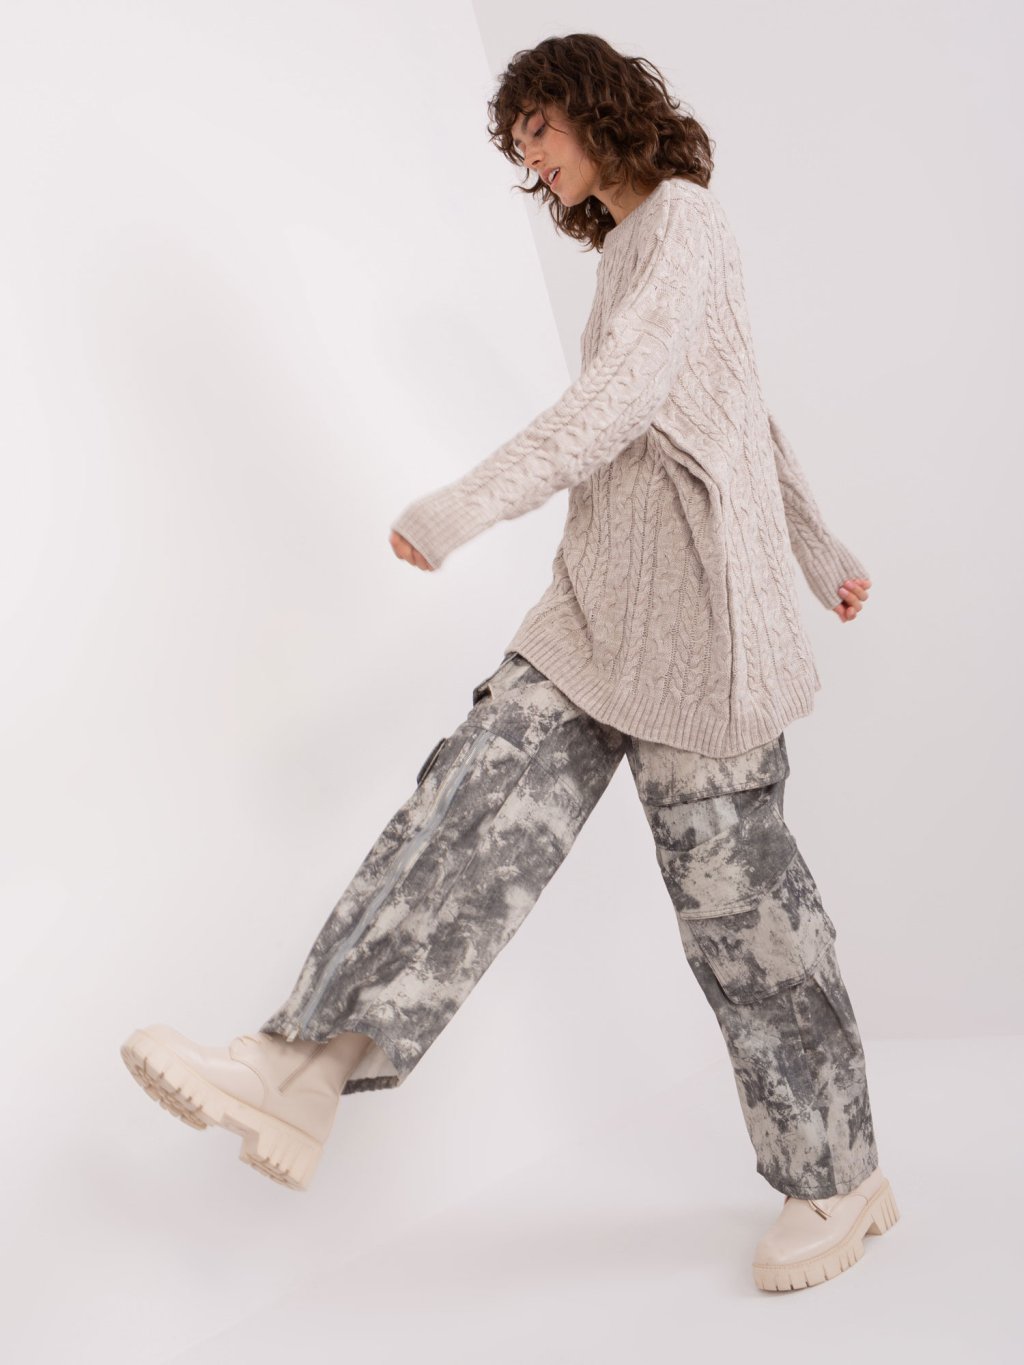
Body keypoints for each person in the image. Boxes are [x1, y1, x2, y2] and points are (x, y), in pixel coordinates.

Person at [121, 33, 899, 1292]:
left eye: (539, 128)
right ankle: (299, 1066)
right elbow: (727, 399)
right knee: (465, 814)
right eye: (519, 142)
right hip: (597, 611)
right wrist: (825, 548)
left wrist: (469, 503)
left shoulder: (685, 222)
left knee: (742, 921)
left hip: (705, 634)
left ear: (598, 108)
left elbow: (661, 400)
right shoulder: (630, 250)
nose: (531, 160)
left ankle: (841, 1177)